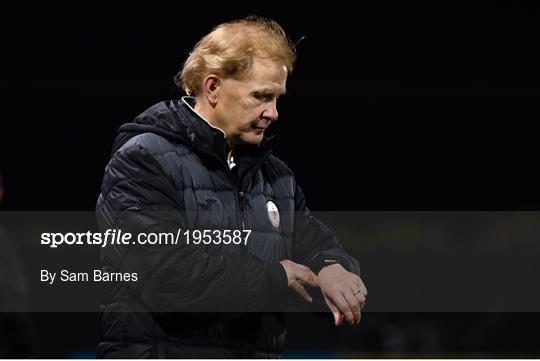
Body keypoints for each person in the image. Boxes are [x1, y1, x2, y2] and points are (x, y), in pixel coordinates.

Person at [96, 16, 367, 358]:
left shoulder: (275, 176)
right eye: (261, 96)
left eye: (278, 98)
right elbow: (165, 279)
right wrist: (275, 277)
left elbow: (313, 244)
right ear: (212, 87)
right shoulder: (143, 161)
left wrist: (333, 268)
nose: (274, 113)